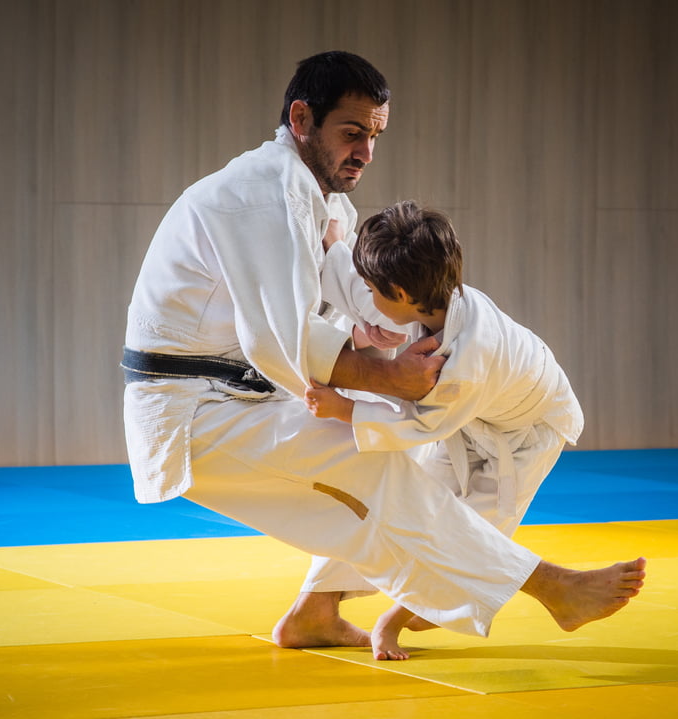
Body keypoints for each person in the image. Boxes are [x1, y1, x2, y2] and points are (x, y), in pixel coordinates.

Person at [122, 50, 645, 653]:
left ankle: (315, 616)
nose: (365, 152)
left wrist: (411, 329)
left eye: (374, 135)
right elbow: (276, 341)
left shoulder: (314, 195)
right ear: (301, 118)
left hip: (236, 394)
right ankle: (552, 588)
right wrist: (390, 378)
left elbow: (354, 285)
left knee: (374, 487)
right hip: (193, 411)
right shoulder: (262, 194)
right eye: (351, 132)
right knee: (383, 475)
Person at [300, 200, 610, 659]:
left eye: (373, 289)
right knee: (395, 496)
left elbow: (421, 425)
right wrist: (333, 247)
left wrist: (344, 408)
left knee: (473, 530)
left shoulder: (466, 359)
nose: (366, 296)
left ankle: (399, 617)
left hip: (527, 433)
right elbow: (357, 285)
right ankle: (320, 609)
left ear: (402, 293)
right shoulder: (432, 298)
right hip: (470, 423)